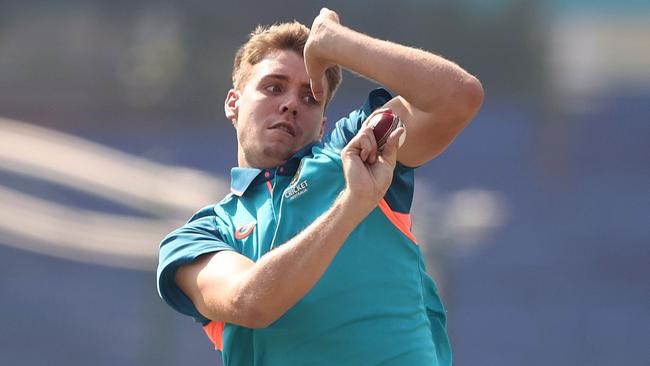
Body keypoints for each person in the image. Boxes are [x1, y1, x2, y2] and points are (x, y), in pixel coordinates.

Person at [157, 8, 483, 366]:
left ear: (323, 122)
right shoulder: (199, 235)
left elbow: (458, 98)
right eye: (273, 87)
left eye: (309, 97)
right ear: (233, 103)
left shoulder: (355, 150)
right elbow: (248, 302)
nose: (291, 105)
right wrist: (351, 206)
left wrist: (337, 44)